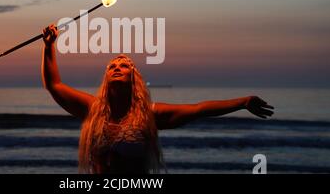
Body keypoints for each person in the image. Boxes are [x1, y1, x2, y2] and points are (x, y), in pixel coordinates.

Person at [41, 24, 274, 174]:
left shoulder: (149, 115)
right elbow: (55, 85)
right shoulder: (93, 108)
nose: (117, 66)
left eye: (124, 65)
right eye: (113, 65)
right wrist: (49, 46)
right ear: (106, 76)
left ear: (135, 78)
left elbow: (200, 109)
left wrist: (242, 102)